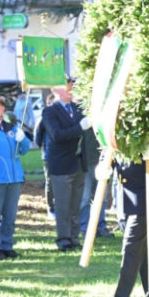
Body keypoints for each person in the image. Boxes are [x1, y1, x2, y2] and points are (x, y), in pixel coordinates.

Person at [90, 158, 149, 297]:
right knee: (143, 252)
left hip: (145, 192)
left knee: (131, 249)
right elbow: (113, 145)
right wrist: (106, 164)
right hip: (126, 194)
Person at [42, 76, 91, 252]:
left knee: (76, 205)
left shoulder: (77, 108)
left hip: (78, 162)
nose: (71, 88)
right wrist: (80, 128)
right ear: (56, 90)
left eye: (71, 85)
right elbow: (57, 135)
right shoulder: (50, 111)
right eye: (68, 86)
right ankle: (63, 240)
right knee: (63, 206)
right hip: (61, 164)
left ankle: (74, 238)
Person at [0, 95, 31, 260]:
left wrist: (23, 139)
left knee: (10, 216)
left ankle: (6, 245)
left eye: (1, 106)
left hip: (14, 178)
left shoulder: (10, 128)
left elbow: (24, 150)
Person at [79, 128, 114, 238]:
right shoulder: (83, 116)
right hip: (86, 163)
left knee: (102, 198)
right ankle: (84, 227)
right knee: (85, 197)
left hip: (102, 161)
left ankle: (100, 226)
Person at [34, 93, 56, 219]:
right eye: (51, 103)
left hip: (61, 156)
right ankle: (50, 207)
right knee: (50, 181)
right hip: (48, 155)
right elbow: (38, 137)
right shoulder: (43, 119)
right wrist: (44, 147)